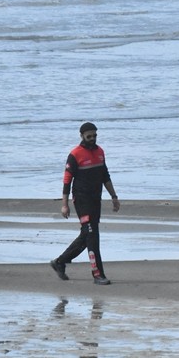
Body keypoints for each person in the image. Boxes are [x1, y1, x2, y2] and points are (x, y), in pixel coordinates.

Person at [50, 122, 120, 285]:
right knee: (93, 236)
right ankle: (98, 274)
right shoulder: (75, 155)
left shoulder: (100, 152)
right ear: (81, 136)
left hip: (96, 200)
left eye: (95, 135)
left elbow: (105, 176)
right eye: (89, 136)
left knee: (87, 235)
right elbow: (67, 181)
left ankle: (60, 262)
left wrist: (114, 197)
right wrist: (64, 204)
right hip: (82, 200)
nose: (92, 139)